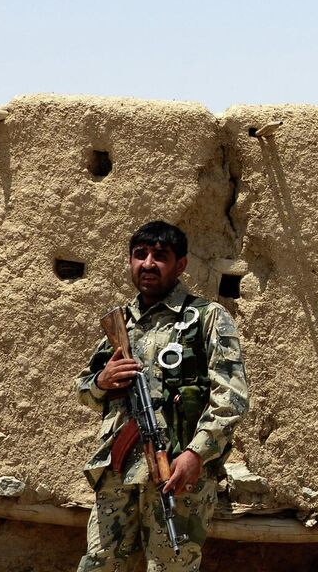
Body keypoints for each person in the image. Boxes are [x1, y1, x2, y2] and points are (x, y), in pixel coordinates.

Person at [74, 220, 249, 571]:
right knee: (101, 563)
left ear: (180, 264)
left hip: (177, 473)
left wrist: (196, 454)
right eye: (140, 255)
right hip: (119, 473)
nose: (148, 264)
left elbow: (231, 397)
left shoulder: (206, 318)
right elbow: (86, 391)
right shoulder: (122, 323)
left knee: (171, 566)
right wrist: (102, 382)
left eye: (160, 256)